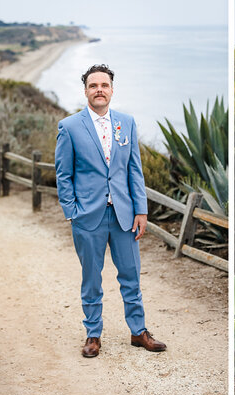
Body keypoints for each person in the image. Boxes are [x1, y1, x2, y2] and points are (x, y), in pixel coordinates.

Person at [54, 64, 166, 358]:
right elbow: (63, 174)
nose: (99, 90)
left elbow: (134, 171)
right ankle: (93, 334)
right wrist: (71, 211)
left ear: (112, 90)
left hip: (124, 216)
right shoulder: (69, 127)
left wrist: (140, 210)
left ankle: (138, 331)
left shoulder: (126, 123)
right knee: (91, 277)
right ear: (86, 91)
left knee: (131, 275)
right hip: (87, 217)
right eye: (94, 86)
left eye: (104, 85)